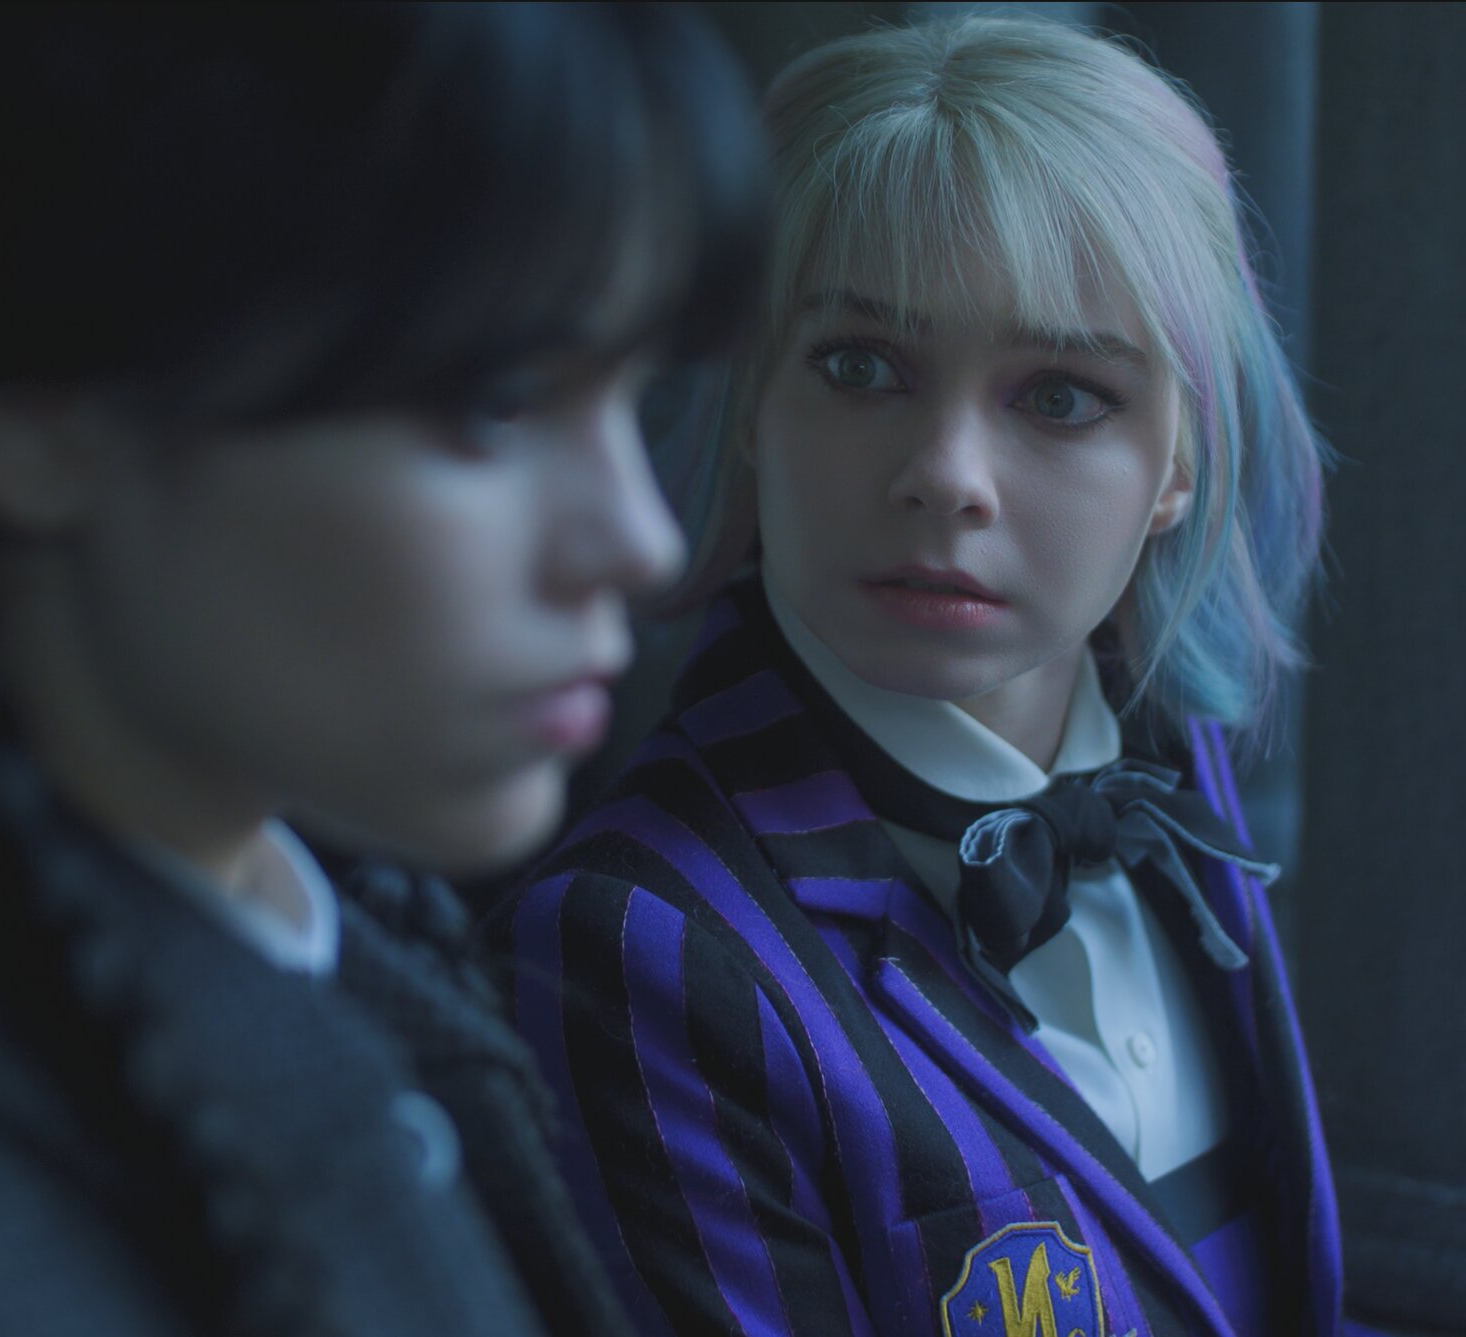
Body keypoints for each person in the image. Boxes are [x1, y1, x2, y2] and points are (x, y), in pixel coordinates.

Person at [0, 7, 769, 1335]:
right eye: (497, 403)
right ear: (44, 419)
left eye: (636, 395)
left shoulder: (350, 954)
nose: (641, 539)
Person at [494, 14, 1362, 1335]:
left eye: (1059, 395)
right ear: (752, 402)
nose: (946, 476)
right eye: (860, 366)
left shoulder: (1168, 758)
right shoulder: (639, 945)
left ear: (1179, 465)